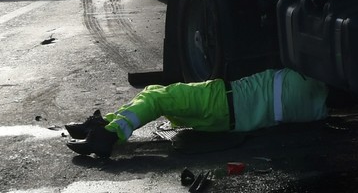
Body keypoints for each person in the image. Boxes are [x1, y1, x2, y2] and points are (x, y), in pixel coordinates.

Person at [65, 68, 329, 158]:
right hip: (227, 119)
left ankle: (108, 135)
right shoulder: (317, 106)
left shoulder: (308, 79)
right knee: (156, 91)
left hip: (222, 99)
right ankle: (104, 124)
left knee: (156, 96)